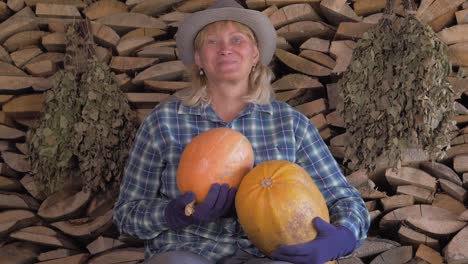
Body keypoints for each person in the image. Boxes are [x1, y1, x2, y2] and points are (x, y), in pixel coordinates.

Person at [113, 0, 371, 263]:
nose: (226, 49)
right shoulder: (164, 122)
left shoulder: (290, 124)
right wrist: (172, 214)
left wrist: (344, 237)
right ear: (199, 59)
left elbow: (344, 199)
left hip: (269, 256)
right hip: (187, 252)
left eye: (237, 40)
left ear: (255, 55)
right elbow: (127, 216)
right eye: (212, 42)